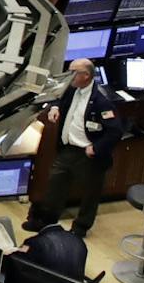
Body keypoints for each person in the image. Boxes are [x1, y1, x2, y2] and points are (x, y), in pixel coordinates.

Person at [26, 56, 123, 238]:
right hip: (67, 149)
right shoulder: (72, 89)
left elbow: (115, 131)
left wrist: (96, 147)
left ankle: (81, 227)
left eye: (73, 73)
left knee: (90, 194)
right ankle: (45, 221)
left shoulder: (102, 100)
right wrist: (54, 107)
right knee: (55, 185)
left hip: (89, 155)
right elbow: (57, 96)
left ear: (86, 76)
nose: (69, 77)